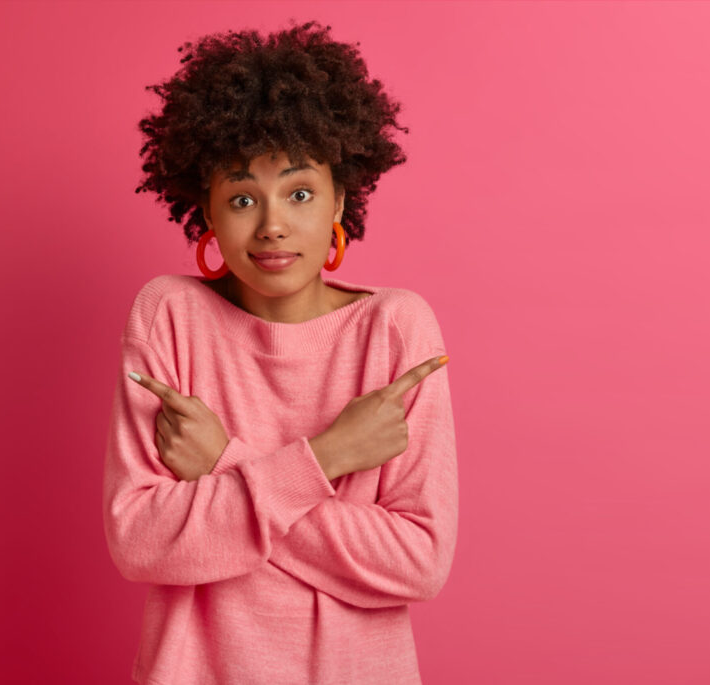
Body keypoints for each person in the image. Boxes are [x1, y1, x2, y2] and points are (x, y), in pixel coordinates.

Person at [102, 20, 458, 685]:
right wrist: (328, 458)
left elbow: (419, 560)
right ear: (205, 211)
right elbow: (139, 540)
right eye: (242, 197)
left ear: (339, 202)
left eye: (299, 193)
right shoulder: (170, 315)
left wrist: (224, 466)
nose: (271, 224)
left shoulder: (395, 330)